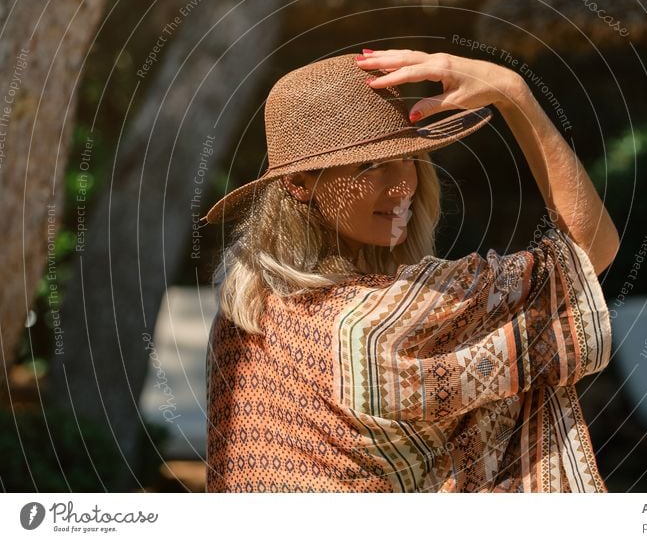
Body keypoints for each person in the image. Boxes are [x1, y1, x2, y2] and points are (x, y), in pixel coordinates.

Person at [201, 49, 619, 493]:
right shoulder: (389, 319)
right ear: (300, 184)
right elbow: (591, 251)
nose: (403, 186)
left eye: (410, 159)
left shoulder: (243, 316)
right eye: (372, 165)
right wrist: (516, 95)